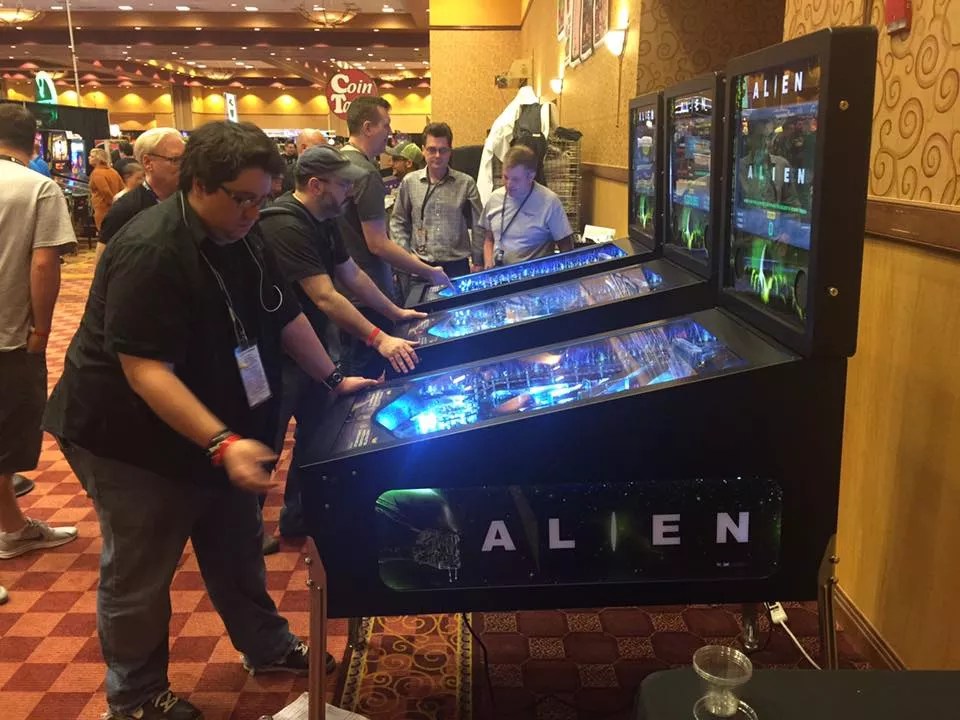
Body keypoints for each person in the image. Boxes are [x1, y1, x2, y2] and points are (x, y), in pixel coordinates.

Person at [42, 120, 379, 720]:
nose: (253, 211)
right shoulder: (151, 250)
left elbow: (284, 316)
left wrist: (332, 379)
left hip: (212, 422)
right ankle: (135, 696)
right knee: (142, 568)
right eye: (242, 198)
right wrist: (223, 442)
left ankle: (265, 645)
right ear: (198, 184)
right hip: (127, 436)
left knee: (235, 541)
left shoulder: (246, 232)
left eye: (261, 198)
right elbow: (146, 371)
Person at [260, 145, 428, 536]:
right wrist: (379, 339)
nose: (349, 191)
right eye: (342, 184)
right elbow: (325, 295)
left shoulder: (325, 218)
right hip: (277, 355)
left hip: (315, 345)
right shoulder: (285, 225)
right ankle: (245, 539)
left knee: (316, 436)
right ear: (316, 185)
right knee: (266, 446)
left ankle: (300, 518)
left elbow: (352, 276)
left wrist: (395, 313)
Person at [0, 105, 79, 583]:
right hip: (10, 335)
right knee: (8, 437)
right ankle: (12, 531)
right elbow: (44, 264)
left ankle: (12, 524)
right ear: (34, 141)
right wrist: (42, 330)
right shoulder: (37, 187)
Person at [337, 96, 452, 376]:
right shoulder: (365, 173)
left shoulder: (337, 160)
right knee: (370, 377)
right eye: (386, 125)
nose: (390, 132)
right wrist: (428, 270)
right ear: (368, 127)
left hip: (343, 290)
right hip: (368, 293)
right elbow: (377, 243)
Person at [390, 122, 484, 280]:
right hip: (420, 265)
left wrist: (478, 260)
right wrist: (406, 256)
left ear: (450, 151)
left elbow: (478, 225)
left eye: (443, 150)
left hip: (456, 266)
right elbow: (398, 221)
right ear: (423, 150)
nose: (438, 155)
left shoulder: (466, 183)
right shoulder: (409, 182)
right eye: (432, 150)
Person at [97, 127, 185, 263]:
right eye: (175, 160)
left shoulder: (193, 200)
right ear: (148, 163)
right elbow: (103, 263)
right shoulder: (125, 209)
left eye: (186, 159)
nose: (185, 166)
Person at [480, 144, 574, 268]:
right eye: (506, 177)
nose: (509, 184)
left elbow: (566, 247)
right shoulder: (494, 198)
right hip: (499, 273)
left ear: (531, 176)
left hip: (534, 275)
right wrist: (488, 262)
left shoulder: (549, 202)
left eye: (515, 179)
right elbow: (489, 238)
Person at [88, 147, 124, 232]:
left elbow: (105, 191)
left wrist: (112, 204)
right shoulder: (113, 171)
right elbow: (123, 188)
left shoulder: (97, 173)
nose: (89, 158)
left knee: (104, 234)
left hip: (103, 209)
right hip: (117, 209)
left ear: (98, 159)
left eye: (92, 156)